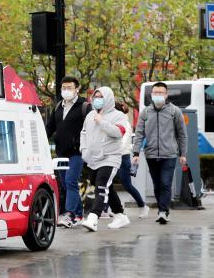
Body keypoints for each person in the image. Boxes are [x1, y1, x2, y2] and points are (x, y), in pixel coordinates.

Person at [132, 82, 187, 224]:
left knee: (165, 183)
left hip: (169, 154)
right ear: (151, 94)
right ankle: (162, 209)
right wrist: (136, 153)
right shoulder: (145, 112)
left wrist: (183, 154)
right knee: (157, 185)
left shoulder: (174, 111)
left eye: (161, 93)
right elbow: (139, 133)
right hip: (151, 154)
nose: (158, 95)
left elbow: (182, 134)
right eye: (155, 93)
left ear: (166, 94)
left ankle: (163, 211)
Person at [80, 87, 131, 231]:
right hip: (93, 159)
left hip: (110, 157)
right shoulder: (90, 115)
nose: (97, 99)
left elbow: (118, 132)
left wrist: (102, 121)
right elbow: (83, 133)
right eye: (95, 96)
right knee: (105, 185)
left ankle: (93, 218)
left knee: (102, 184)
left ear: (108, 98)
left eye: (100, 96)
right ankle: (120, 215)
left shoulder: (119, 115)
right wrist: (83, 149)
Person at [46, 76, 91, 227]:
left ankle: (70, 214)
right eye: (63, 88)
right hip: (61, 151)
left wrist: (81, 144)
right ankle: (79, 214)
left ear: (77, 88)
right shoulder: (59, 106)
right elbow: (49, 127)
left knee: (71, 181)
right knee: (66, 184)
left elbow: (91, 128)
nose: (66, 90)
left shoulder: (84, 106)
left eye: (69, 87)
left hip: (77, 152)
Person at [114, 102, 150, 218]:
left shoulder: (124, 122)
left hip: (122, 157)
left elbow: (124, 141)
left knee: (127, 185)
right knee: (104, 183)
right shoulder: (113, 122)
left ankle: (143, 206)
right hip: (111, 156)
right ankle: (110, 209)